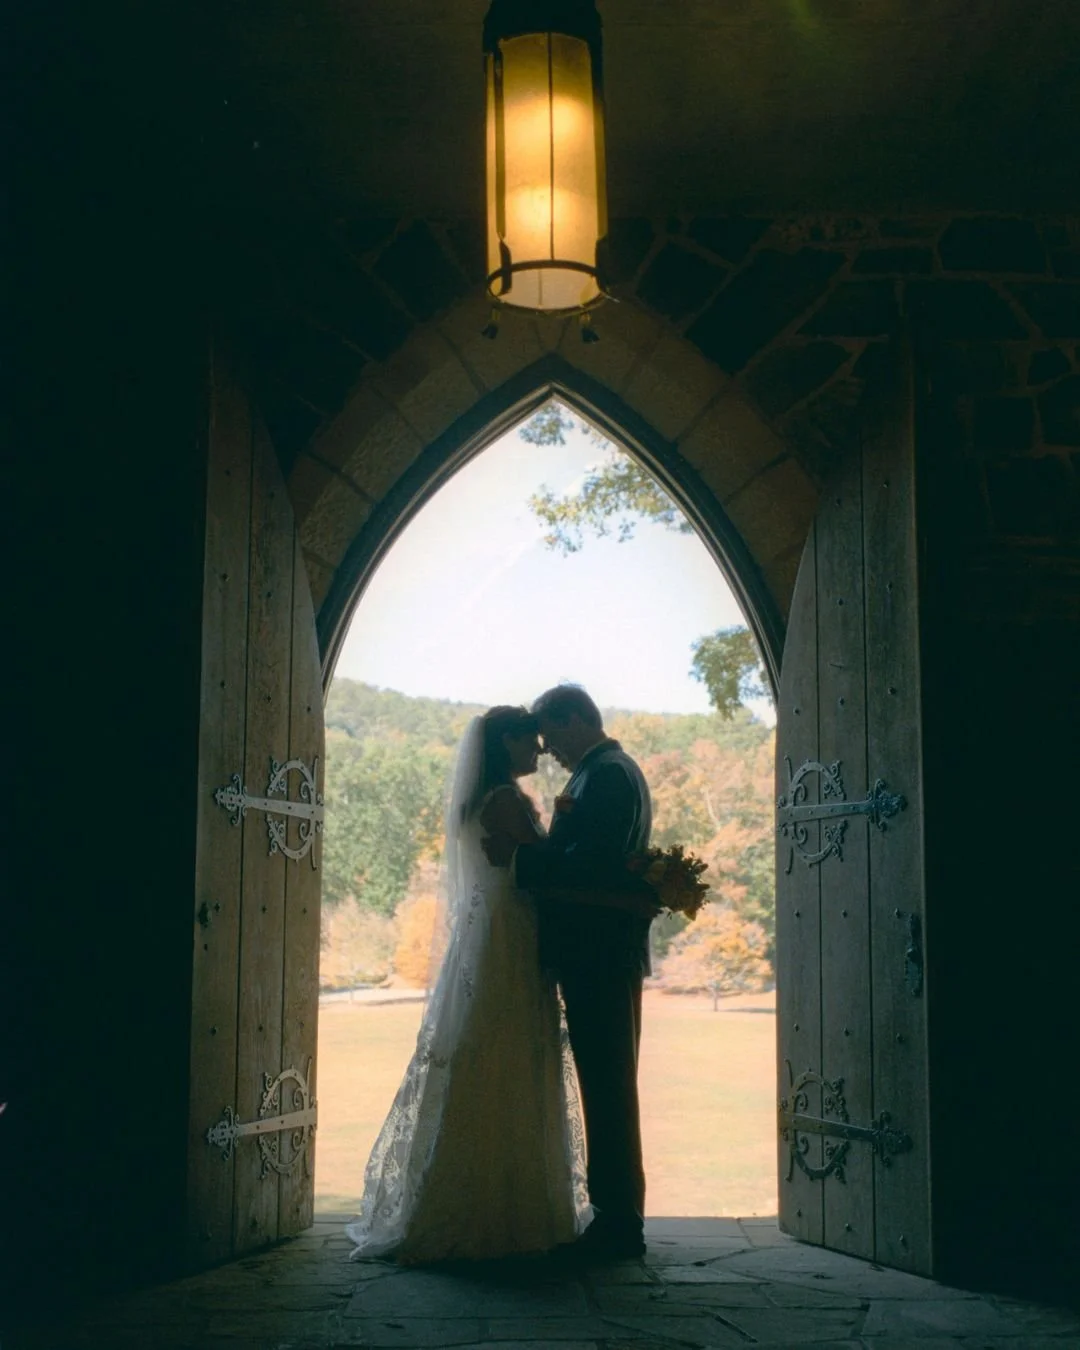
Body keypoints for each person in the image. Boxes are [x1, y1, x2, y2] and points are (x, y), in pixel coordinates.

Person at [345, 706, 588, 1263]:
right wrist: (564, 822)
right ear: (505, 743)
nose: (539, 750)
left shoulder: (479, 800)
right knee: (509, 1049)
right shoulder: (504, 800)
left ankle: (485, 1198)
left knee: (486, 1046)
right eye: (529, 741)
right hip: (510, 935)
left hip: (489, 933)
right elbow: (545, 864)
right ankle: (505, 1209)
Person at [483, 685, 655, 1263]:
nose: (547, 748)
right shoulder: (598, 772)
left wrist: (516, 857)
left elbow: (591, 862)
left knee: (608, 1085)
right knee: (605, 1082)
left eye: (551, 734)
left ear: (577, 719)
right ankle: (615, 1216)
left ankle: (619, 1223)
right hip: (596, 948)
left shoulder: (608, 774)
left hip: (599, 949)